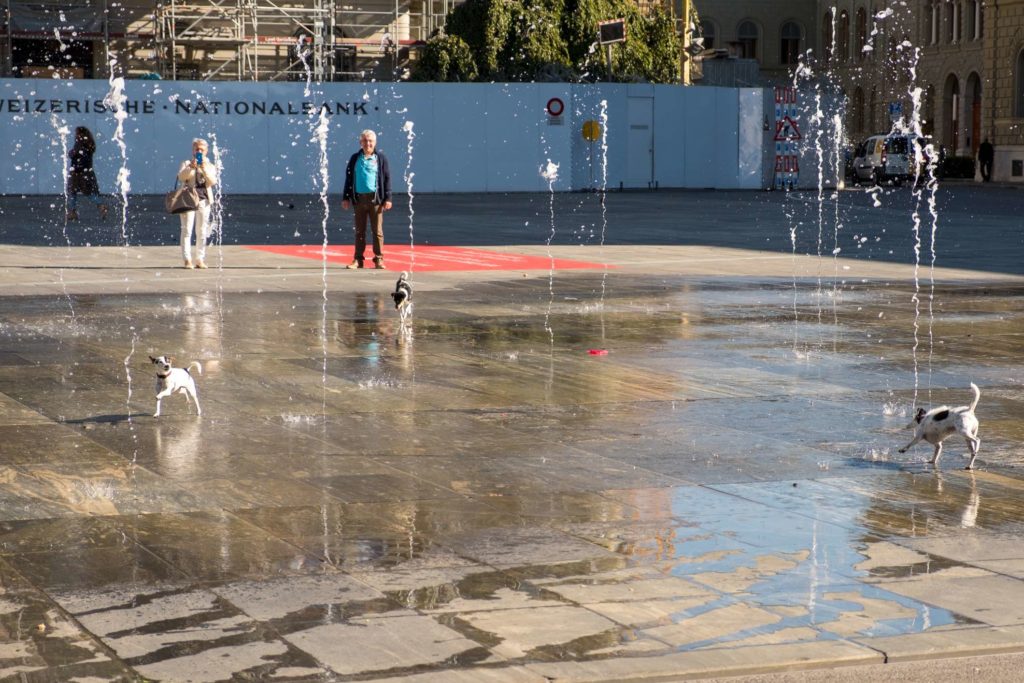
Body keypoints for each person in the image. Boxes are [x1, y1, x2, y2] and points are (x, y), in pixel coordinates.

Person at [341, 129, 392, 269]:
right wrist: (346, 197)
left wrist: (388, 198)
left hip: (376, 200)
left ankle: (379, 259)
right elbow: (349, 178)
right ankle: (358, 260)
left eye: (370, 141)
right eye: (365, 140)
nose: (367, 143)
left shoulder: (381, 158)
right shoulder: (354, 158)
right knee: (359, 231)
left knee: (377, 231)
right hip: (359, 200)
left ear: (375, 142)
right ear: (360, 142)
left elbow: (387, 178)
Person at [176, 138, 218, 269]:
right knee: (187, 229)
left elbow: (212, 182)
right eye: (197, 149)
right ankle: (187, 259)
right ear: (193, 150)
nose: (199, 151)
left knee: (201, 230)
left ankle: (200, 258)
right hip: (188, 199)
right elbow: (181, 177)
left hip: (204, 200)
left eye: (202, 149)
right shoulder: (187, 163)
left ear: (206, 151)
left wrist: (204, 169)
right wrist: (191, 168)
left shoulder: (210, 165)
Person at [66, 127, 108, 222]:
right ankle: (101, 205)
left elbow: (73, 154)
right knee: (88, 192)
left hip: (77, 172)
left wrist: (71, 153)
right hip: (86, 172)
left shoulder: (79, 143)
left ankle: (72, 212)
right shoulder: (89, 143)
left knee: (73, 192)